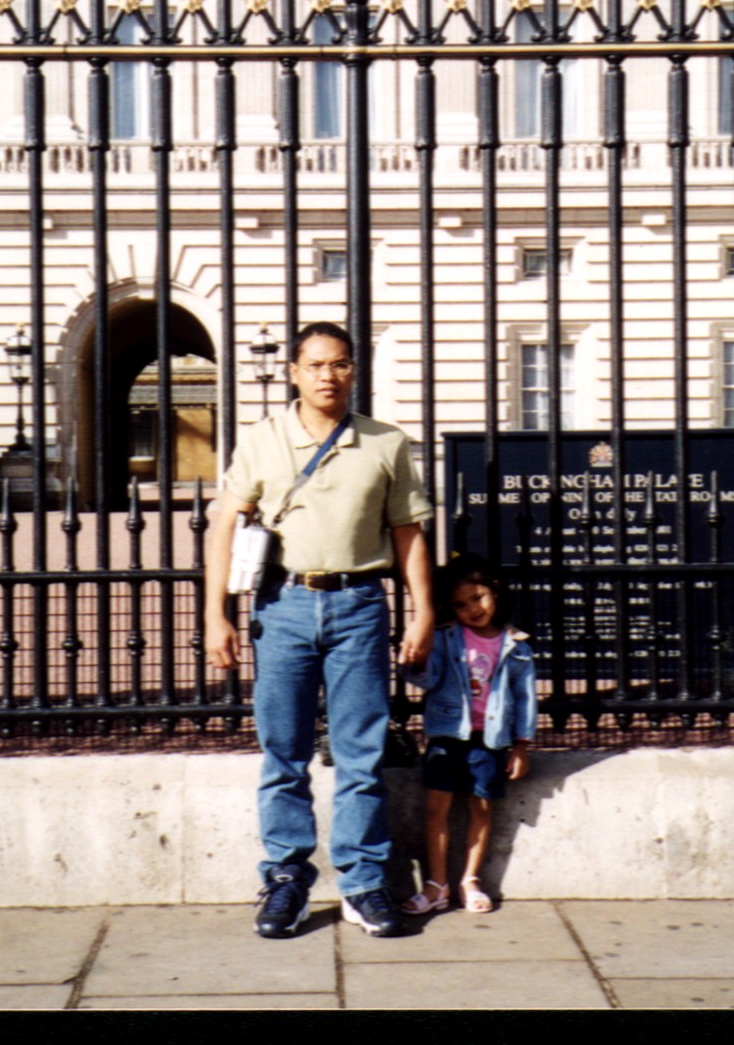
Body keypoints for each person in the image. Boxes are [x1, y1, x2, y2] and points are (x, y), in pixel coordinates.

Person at [204, 322, 435, 939]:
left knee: (361, 755)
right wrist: (214, 614)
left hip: (359, 604)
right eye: (315, 366)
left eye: (339, 365)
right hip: (282, 605)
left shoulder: (385, 443)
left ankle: (363, 883)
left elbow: (408, 532)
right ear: (294, 372)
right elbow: (225, 526)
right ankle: (285, 880)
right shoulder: (261, 440)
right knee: (284, 752)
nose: (327, 376)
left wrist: (424, 610)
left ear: (354, 371)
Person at [399, 553, 538, 916]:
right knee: (435, 811)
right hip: (447, 736)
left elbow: (525, 701)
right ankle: (437, 884)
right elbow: (428, 679)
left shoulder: (517, 646)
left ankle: (470, 879)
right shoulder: (447, 639)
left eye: (477, 598)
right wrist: (414, 660)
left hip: (490, 741)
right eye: (461, 605)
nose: (472, 609)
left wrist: (521, 746)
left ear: (495, 592)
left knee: (482, 809)